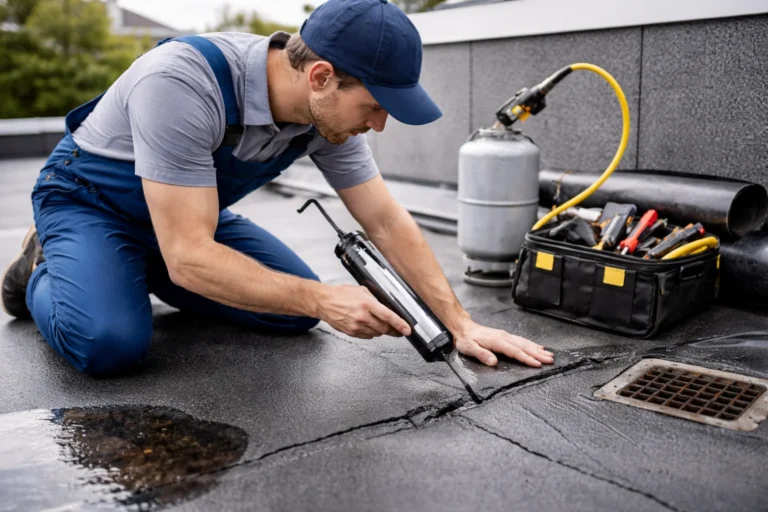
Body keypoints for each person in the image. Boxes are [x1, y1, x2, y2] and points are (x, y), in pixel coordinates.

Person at [1, 0, 554, 376]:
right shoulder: (182, 84)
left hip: (182, 223)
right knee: (110, 343)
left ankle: (121, 268)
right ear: (320, 77)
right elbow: (192, 257)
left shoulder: (327, 117)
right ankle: (42, 268)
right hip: (87, 203)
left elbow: (385, 220)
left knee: (292, 313)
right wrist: (324, 296)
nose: (380, 125)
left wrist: (460, 324)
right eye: (376, 107)